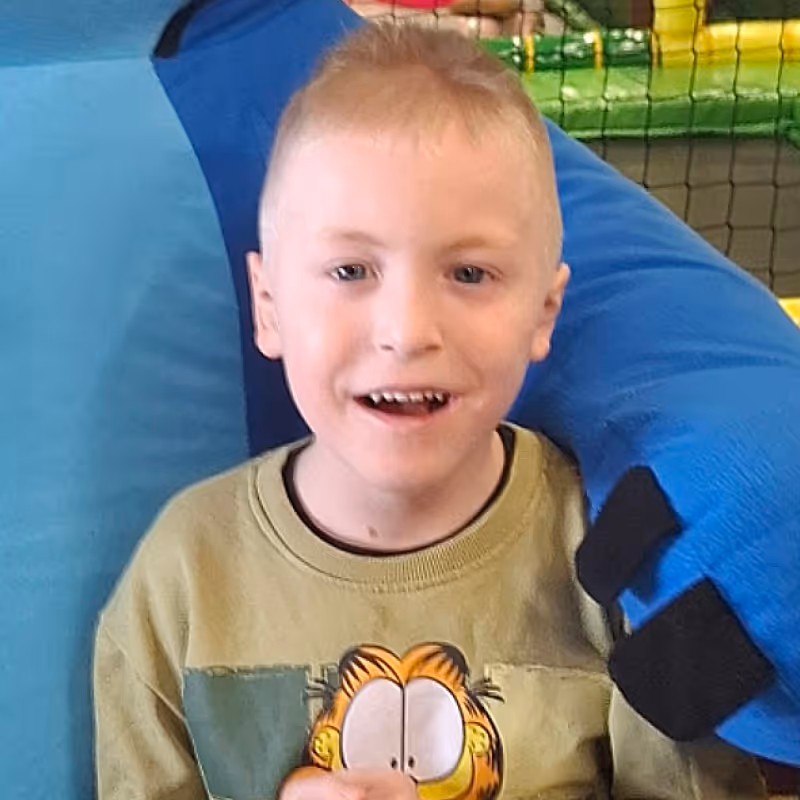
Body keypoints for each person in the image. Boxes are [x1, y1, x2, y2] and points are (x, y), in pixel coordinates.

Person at [93, 22, 765, 800]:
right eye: (351, 270)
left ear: (544, 312)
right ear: (269, 306)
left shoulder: (616, 564)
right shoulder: (180, 580)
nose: (408, 331)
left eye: (469, 273)